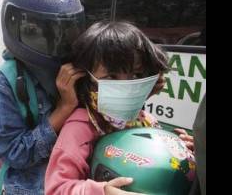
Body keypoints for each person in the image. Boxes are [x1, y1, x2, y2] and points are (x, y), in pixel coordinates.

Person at [0, 0, 86, 194]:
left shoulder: (76, 69)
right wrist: (63, 109)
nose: (60, 42)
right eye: (44, 32)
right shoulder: (5, 83)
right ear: (16, 27)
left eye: (66, 31)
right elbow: (14, 154)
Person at [45, 21, 170, 195]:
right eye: (111, 76)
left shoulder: (144, 120)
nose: (126, 86)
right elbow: (57, 189)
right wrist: (103, 191)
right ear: (87, 79)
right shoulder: (80, 127)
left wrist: (181, 151)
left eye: (136, 75)